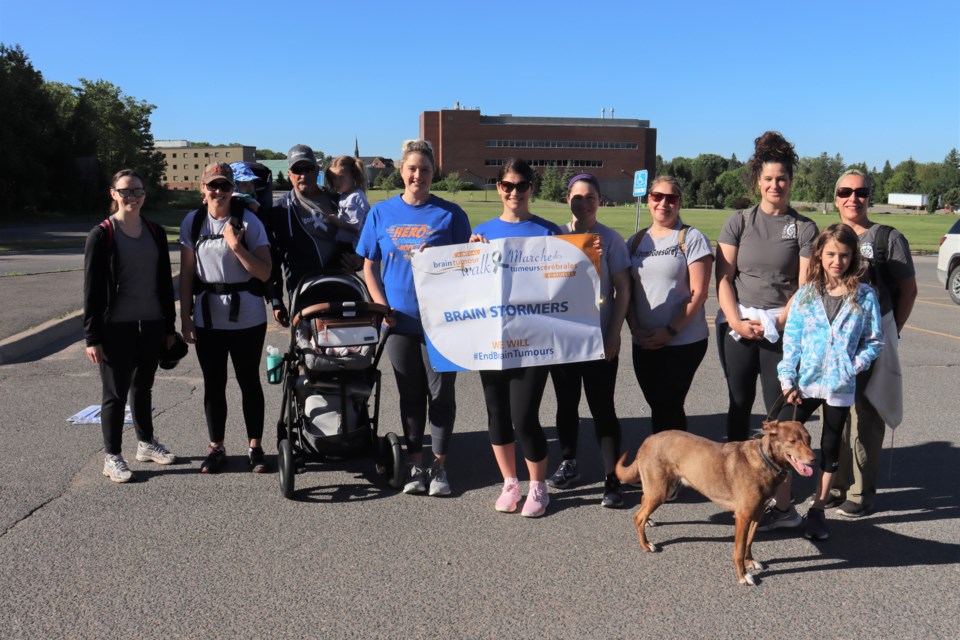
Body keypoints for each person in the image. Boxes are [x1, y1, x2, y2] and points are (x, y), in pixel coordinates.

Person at [358, 139, 471, 497]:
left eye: (424, 169)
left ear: (433, 172)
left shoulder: (450, 214)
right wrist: (381, 307)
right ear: (401, 171)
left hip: (441, 321)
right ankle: (415, 463)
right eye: (411, 169)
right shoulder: (381, 213)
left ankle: (439, 467)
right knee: (409, 395)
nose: (417, 175)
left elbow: (469, 266)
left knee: (441, 394)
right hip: (398, 321)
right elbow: (369, 266)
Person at [767, 224, 883, 540]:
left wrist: (854, 365)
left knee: (829, 447)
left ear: (853, 257)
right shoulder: (805, 295)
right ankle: (782, 508)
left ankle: (817, 510)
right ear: (820, 254)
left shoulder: (865, 295)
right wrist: (786, 378)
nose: (837, 261)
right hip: (803, 384)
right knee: (785, 444)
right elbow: (791, 340)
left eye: (844, 255)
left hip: (839, 386)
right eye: (831, 254)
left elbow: (874, 340)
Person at [715, 131, 819, 456]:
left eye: (782, 179)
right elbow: (723, 279)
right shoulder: (740, 222)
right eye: (769, 179)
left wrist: (779, 322)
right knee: (739, 404)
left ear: (791, 181)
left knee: (780, 412)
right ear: (758, 182)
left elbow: (804, 287)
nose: (776, 185)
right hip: (740, 326)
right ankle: (735, 478)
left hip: (783, 329)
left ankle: (778, 489)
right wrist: (737, 321)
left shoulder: (803, 227)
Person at [470, 159, 561, 518]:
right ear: (498, 187)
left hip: (533, 340)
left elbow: (566, 281)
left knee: (525, 416)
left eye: (521, 186)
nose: (513, 192)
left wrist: (587, 255)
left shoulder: (547, 232)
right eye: (506, 185)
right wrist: (471, 251)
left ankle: (539, 486)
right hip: (491, 340)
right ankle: (510, 482)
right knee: (497, 414)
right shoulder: (483, 230)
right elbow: (469, 287)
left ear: (531, 188)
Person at [831, 169, 917, 517]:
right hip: (834, 343)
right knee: (835, 413)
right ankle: (834, 484)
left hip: (870, 340)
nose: (853, 198)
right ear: (836, 197)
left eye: (861, 192)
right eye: (845, 191)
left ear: (870, 196)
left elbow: (908, 289)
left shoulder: (886, 238)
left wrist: (891, 331)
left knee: (865, 415)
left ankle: (860, 493)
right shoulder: (831, 235)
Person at [83, 169, 178, 483]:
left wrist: (168, 327)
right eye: (125, 192)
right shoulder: (102, 234)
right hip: (116, 328)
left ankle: (146, 443)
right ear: (113, 194)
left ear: (145, 194)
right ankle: (112, 457)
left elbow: (165, 283)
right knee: (114, 394)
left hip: (150, 323)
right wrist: (92, 336)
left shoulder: (155, 232)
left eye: (137, 191)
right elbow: (92, 290)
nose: (132, 197)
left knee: (144, 387)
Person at [179, 162, 273, 473]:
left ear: (233, 190)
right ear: (202, 189)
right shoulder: (193, 223)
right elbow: (187, 275)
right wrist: (185, 317)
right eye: (212, 186)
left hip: (247, 315)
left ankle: (255, 446)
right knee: (214, 384)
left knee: (249, 381)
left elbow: (264, 271)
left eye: (224, 186)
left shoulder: (249, 222)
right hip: (208, 317)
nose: (218, 192)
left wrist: (236, 245)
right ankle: (216, 446)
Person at [545, 173, 631, 508]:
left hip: (599, 338)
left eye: (590, 196)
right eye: (577, 196)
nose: (583, 202)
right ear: (568, 199)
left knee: (602, 408)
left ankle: (612, 477)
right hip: (564, 339)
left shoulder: (610, 239)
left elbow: (622, 288)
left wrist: (614, 333)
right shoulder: (554, 237)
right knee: (566, 405)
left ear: (600, 200)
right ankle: (570, 463)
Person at [625, 175, 714, 439]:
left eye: (671, 198)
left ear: (679, 203)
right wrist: (635, 329)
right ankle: (663, 469)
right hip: (644, 341)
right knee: (658, 407)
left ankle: (676, 470)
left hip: (683, 341)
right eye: (657, 196)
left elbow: (699, 294)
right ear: (648, 199)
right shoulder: (636, 240)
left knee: (669, 405)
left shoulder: (691, 237)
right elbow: (628, 291)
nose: (664, 203)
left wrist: (669, 332)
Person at [266, 144, 354, 328]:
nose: (303, 175)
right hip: (304, 293)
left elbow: (361, 235)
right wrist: (276, 300)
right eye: (297, 170)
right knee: (308, 352)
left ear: (317, 170)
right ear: (289, 173)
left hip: (342, 286)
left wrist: (359, 259)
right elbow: (274, 257)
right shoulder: (280, 209)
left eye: (308, 168)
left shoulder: (339, 201)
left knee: (348, 351)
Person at [325, 155, 370, 251]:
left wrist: (335, 220)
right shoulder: (345, 195)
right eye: (334, 178)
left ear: (353, 175)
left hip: (353, 248)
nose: (337, 182)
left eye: (341, 177)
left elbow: (354, 226)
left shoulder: (355, 197)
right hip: (345, 245)